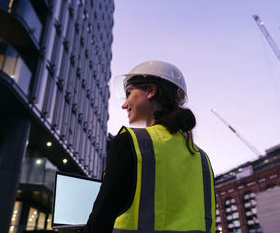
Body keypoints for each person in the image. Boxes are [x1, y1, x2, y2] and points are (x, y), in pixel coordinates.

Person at [83, 61, 215, 233]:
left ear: (151, 91)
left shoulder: (133, 142)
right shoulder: (202, 159)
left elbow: (101, 219)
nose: (124, 104)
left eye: (129, 93)